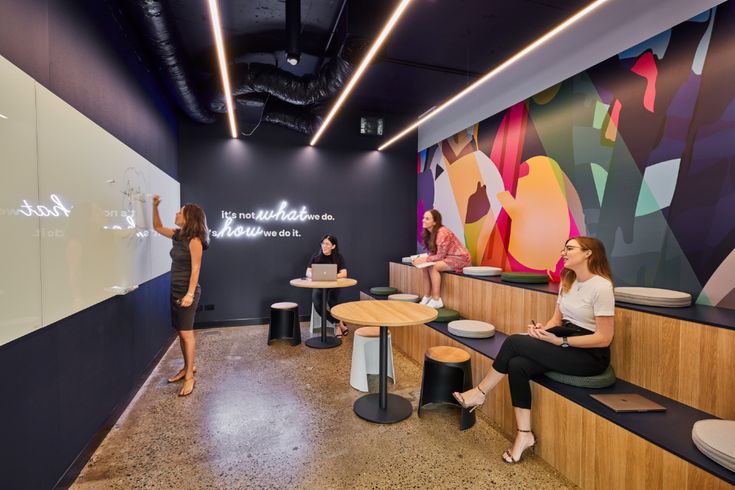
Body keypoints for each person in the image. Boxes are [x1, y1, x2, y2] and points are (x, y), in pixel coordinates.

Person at [452, 236, 615, 463]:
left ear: (588, 253)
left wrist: (561, 343)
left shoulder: (602, 286)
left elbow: (604, 338)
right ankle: (524, 434)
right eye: (563, 248)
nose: (563, 252)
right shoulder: (568, 281)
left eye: (569, 248)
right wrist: (540, 330)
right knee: (516, 365)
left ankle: (480, 392)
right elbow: (556, 321)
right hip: (564, 338)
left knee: (513, 342)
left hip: (589, 354)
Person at [152, 195, 209, 397]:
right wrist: (154, 206)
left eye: (180, 211)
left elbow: (196, 269)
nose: (176, 213)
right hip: (176, 290)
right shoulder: (178, 236)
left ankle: (190, 377)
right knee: (180, 333)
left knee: (187, 334)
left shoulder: (194, 241)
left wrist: (190, 294)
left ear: (188, 217)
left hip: (187, 292)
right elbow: (157, 227)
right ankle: (187, 367)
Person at [412, 209, 471, 308]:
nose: (423, 220)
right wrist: (420, 260)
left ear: (435, 222)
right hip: (448, 257)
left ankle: (436, 299)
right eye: (423, 218)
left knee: (433, 267)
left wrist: (424, 259)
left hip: (460, 258)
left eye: (427, 219)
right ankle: (427, 296)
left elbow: (440, 256)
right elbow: (433, 252)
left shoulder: (442, 233)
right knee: (425, 267)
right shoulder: (430, 233)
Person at [306, 234, 349, 337]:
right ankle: (338, 324)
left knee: (332, 300)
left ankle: (337, 326)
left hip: (333, 285)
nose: (324, 246)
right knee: (317, 304)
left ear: (333, 246)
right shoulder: (316, 256)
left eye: (327, 244)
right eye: (323, 243)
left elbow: (344, 273)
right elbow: (307, 272)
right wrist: (314, 275)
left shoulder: (338, 257)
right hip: (319, 286)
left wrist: (332, 276)